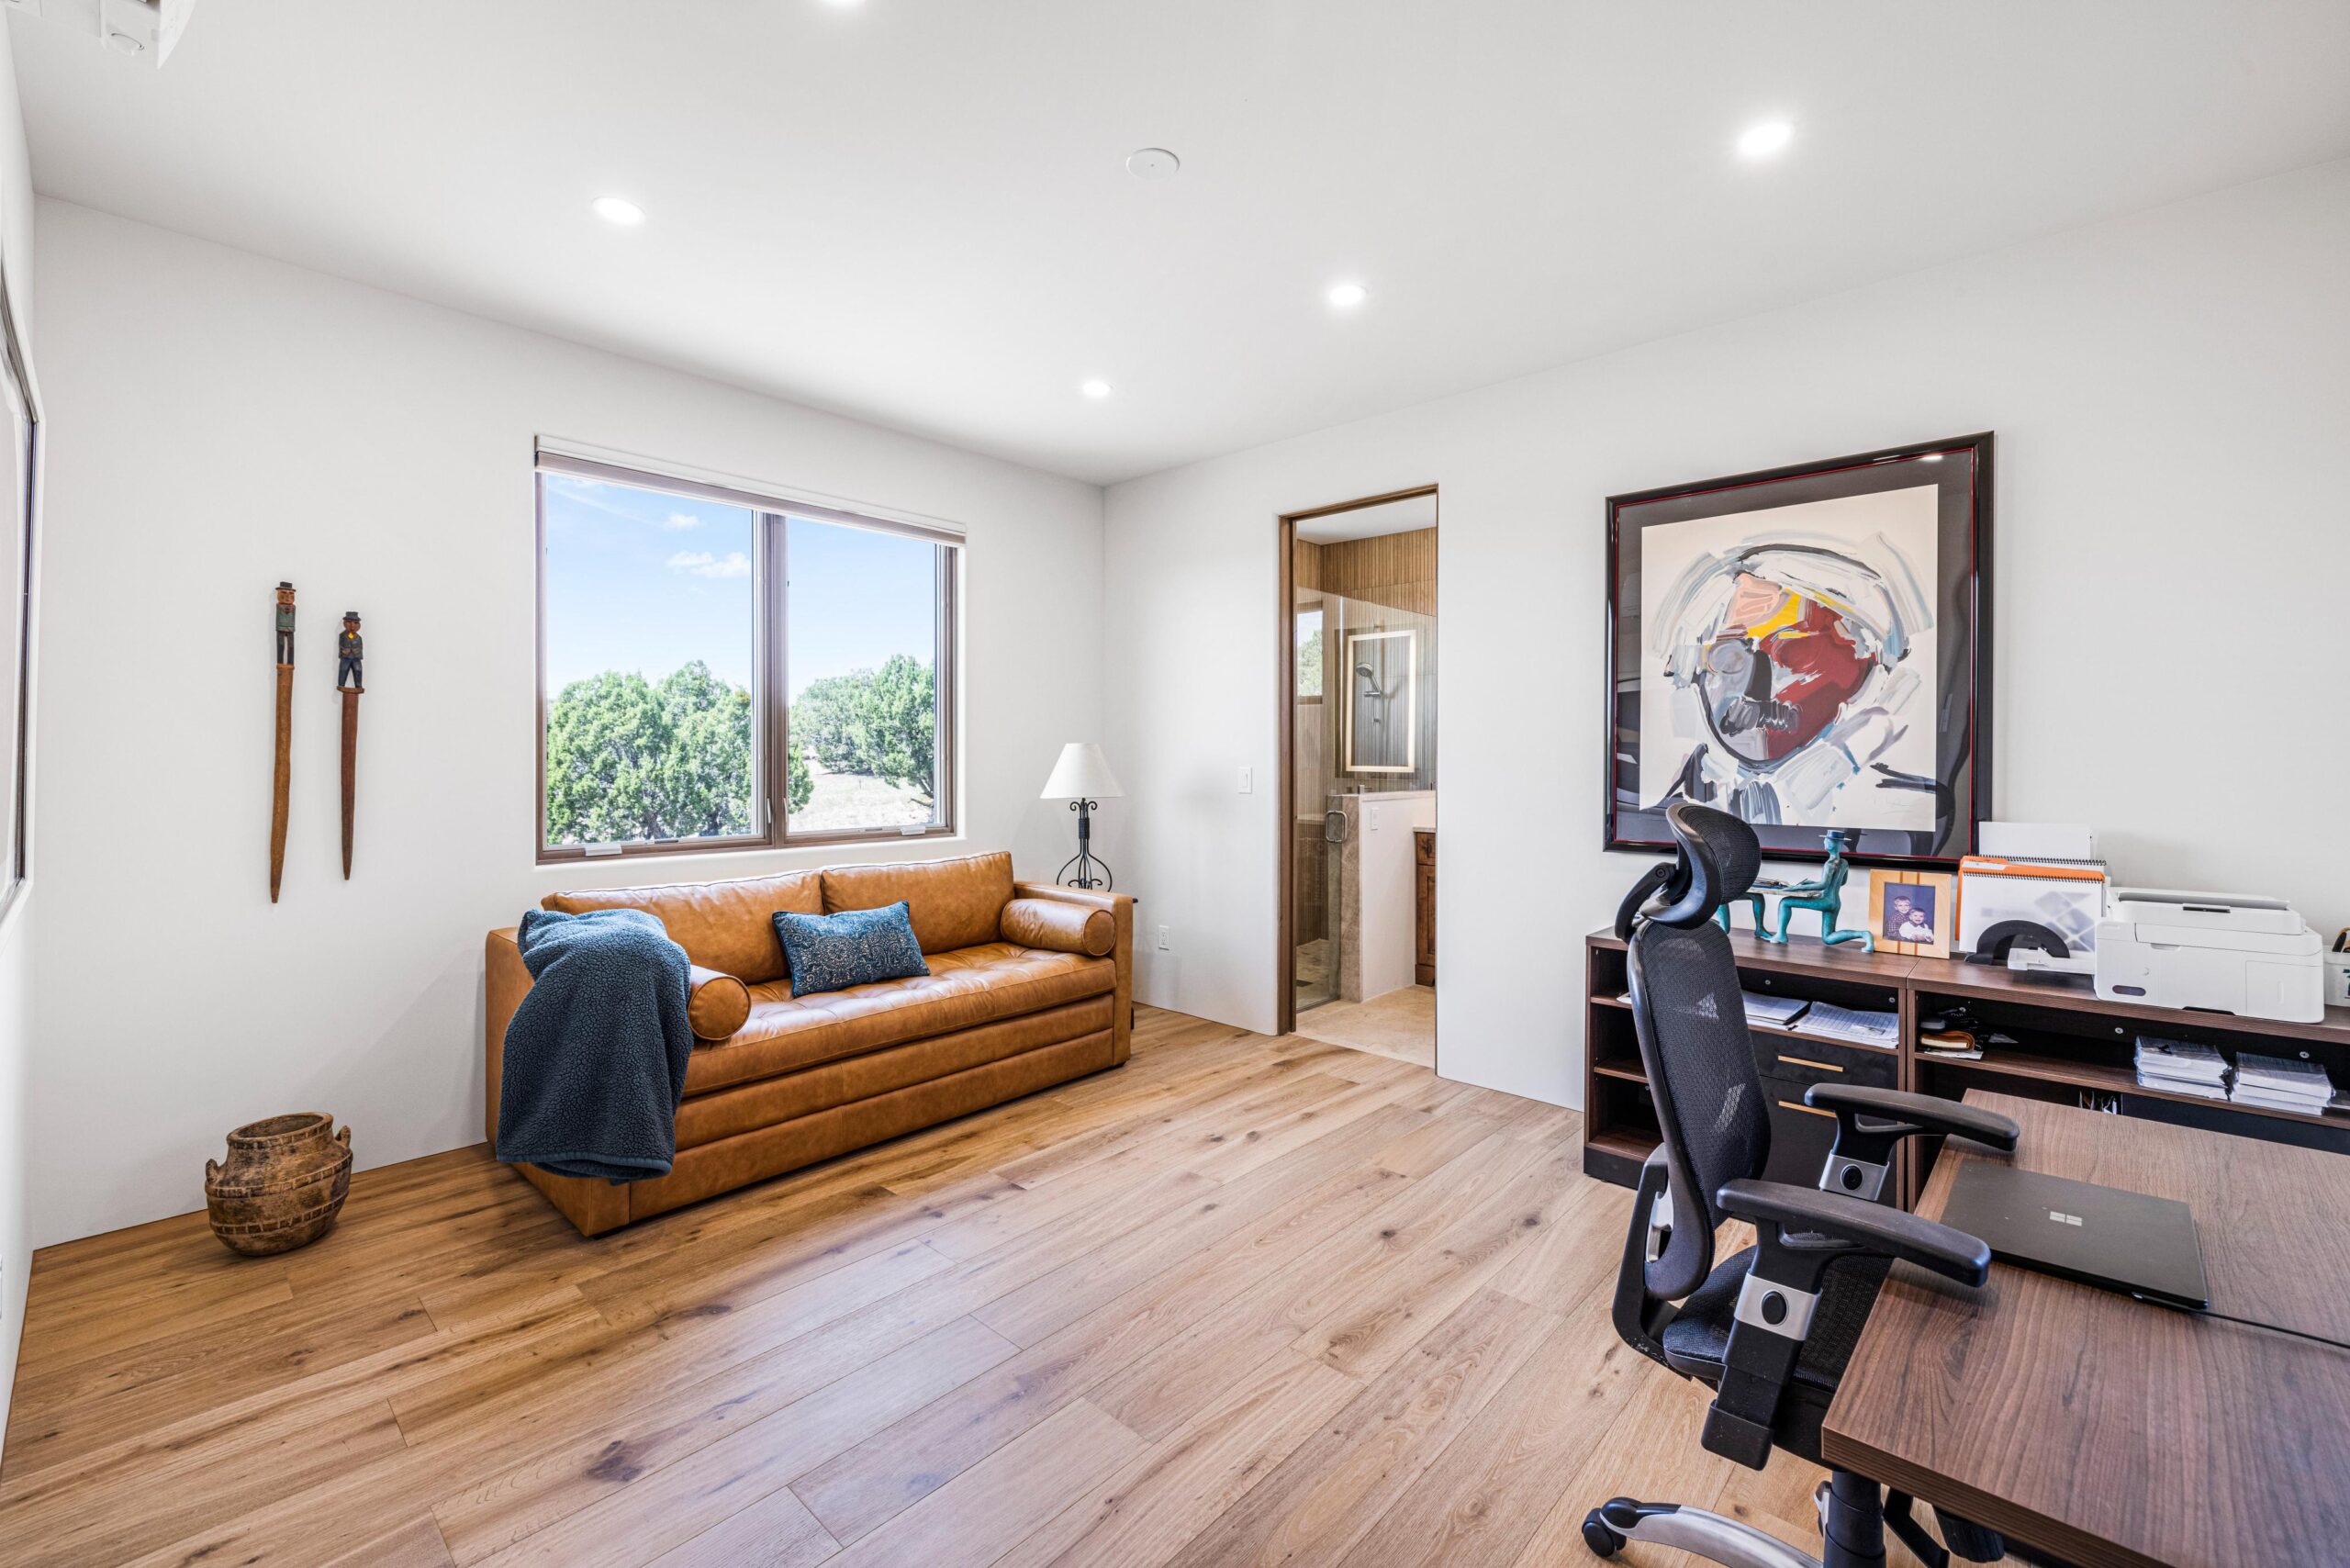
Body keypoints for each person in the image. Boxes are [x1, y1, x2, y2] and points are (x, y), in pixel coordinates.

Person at [335, 612, 364, 691]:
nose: (352, 626)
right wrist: (344, 650)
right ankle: (341, 684)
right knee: (343, 669)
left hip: (356, 658)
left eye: (355, 623)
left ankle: (359, 686)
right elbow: (341, 645)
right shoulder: (342, 635)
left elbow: (360, 648)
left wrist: (353, 650)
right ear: (345, 623)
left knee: (358, 669)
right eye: (349, 622)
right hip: (346, 658)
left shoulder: (359, 638)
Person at [274, 582, 297, 666]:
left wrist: (290, 627)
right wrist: (282, 627)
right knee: (281, 645)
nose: (288, 597)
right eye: (284, 593)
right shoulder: (279, 606)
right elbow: (279, 617)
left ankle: (290, 664)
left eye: (291, 594)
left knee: (291, 646)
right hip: (281, 628)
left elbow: (293, 618)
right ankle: (280, 663)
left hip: (290, 628)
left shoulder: (293, 607)